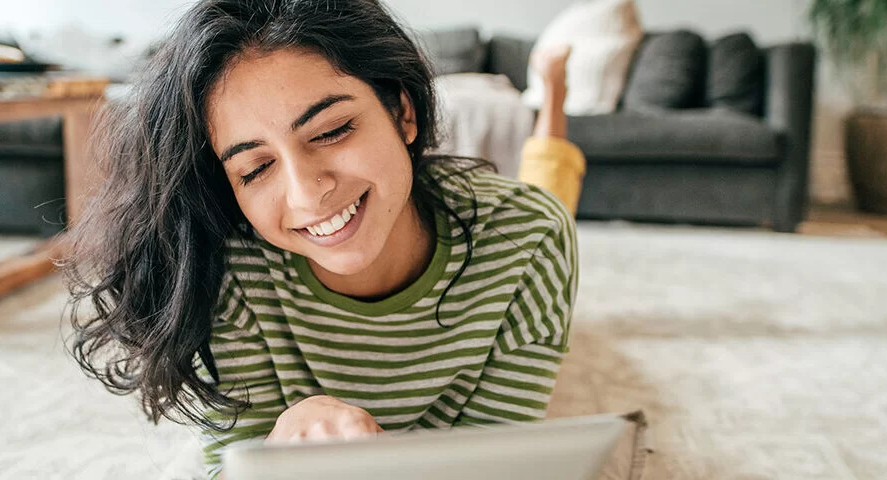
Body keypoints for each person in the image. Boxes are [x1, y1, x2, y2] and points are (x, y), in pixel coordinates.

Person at [61, 0, 586, 477]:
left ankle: (552, 93)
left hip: (501, 221)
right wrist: (272, 453)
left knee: (551, 190)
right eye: (256, 166)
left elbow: (496, 467)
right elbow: (227, 464)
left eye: (332, 131)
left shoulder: (528, 240)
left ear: (402, 112)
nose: (308, 196)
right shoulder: (227, 271)